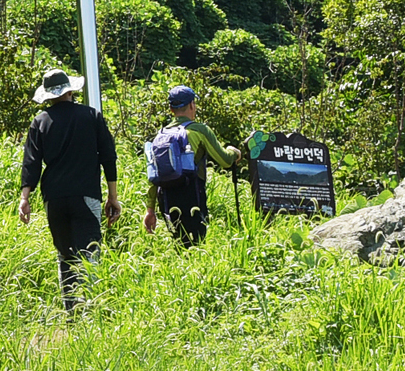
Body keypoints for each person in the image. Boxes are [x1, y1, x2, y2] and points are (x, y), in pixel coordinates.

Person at [18, 68, 119, 314]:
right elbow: (108, 156)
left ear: (48, 96)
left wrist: (24, 198)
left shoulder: (40, 121)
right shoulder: (91, 116)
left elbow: (31, 162)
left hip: (53, 198)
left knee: (66, 256)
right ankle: (93, 311)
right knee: (90, 252)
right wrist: (112, 197)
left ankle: (71, 314)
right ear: (71, 91)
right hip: (86, 194)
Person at [142, 85, 242, 246]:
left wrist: (150, 209)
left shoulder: (159, 136)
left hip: (166, 198)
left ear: (171, 108)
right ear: (191, 105)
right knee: (196, 245)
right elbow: (225, 161)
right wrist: (234, 152)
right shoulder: (200, 130)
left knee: (178, 245)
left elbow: (154, 177)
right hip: (191, 195)